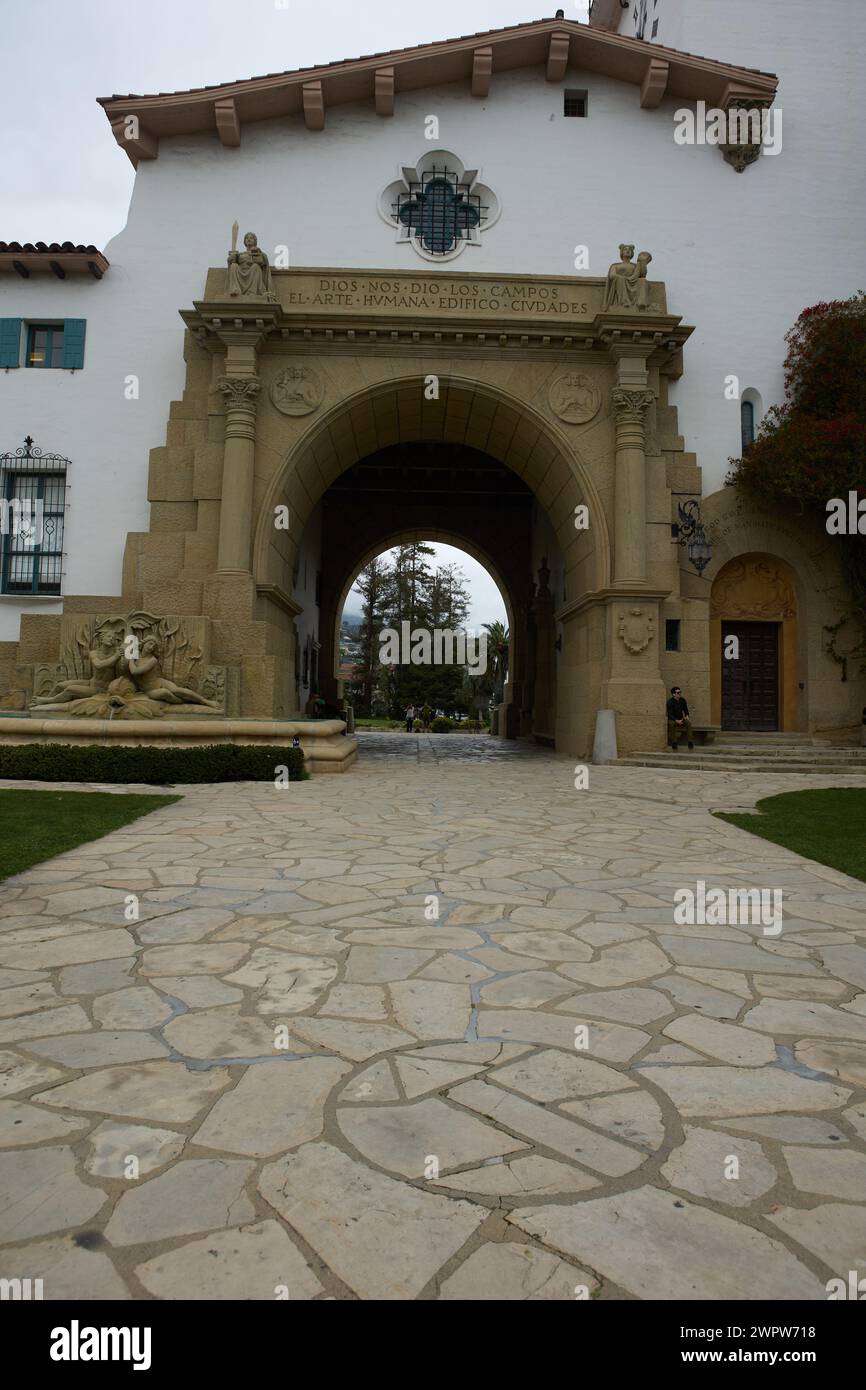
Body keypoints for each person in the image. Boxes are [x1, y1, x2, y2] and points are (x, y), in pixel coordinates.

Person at [666, 686, 694, 750]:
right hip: (673, 719)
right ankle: (674, 742)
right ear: (674, 694)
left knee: (688, 723)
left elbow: (686, 710)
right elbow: (670, 714)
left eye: (680, 692)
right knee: (671, 724)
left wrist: (687, 716)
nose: (680, 694)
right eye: (678, 692)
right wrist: (676, 720)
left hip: (681, 718)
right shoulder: (670, 702)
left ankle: (690, 741)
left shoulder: (682, 700)